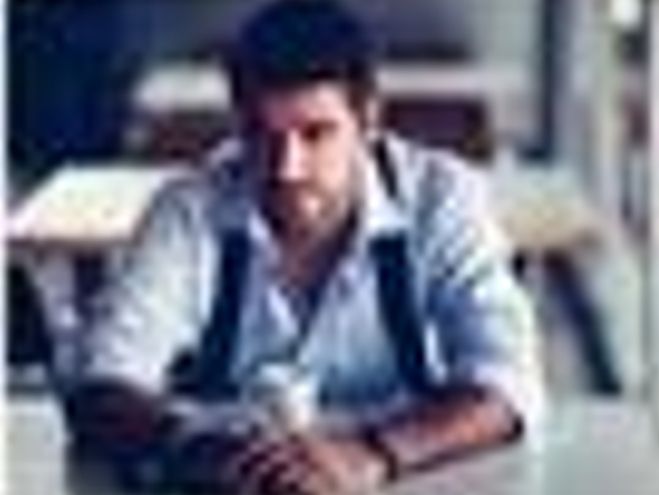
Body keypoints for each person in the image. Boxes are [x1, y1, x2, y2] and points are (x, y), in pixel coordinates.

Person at [60, 1, 544, 494]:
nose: (287, 168)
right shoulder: (188, 211)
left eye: (316, 134)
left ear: (368, 120)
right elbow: (100, 381)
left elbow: (507, 385)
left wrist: (373, 453)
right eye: (262, 135)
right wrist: (200, 449)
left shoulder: (442, 199)